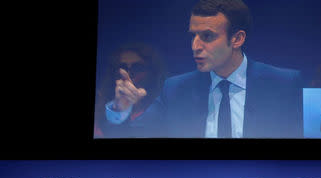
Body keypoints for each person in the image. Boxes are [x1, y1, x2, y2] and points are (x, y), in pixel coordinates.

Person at [105, 0, 303, 138]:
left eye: (207, 37)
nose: (195, 46)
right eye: (194, 36)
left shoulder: (283, 84)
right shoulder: (175, 89)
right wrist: (120, 109)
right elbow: (133, 137)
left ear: (237, 39)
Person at [95, 42, 167, 138]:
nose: (129, 74)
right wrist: (120, 110)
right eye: (123, 68)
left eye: (137, 67)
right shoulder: (102, 114)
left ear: (152, 73)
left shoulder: (166, 110)